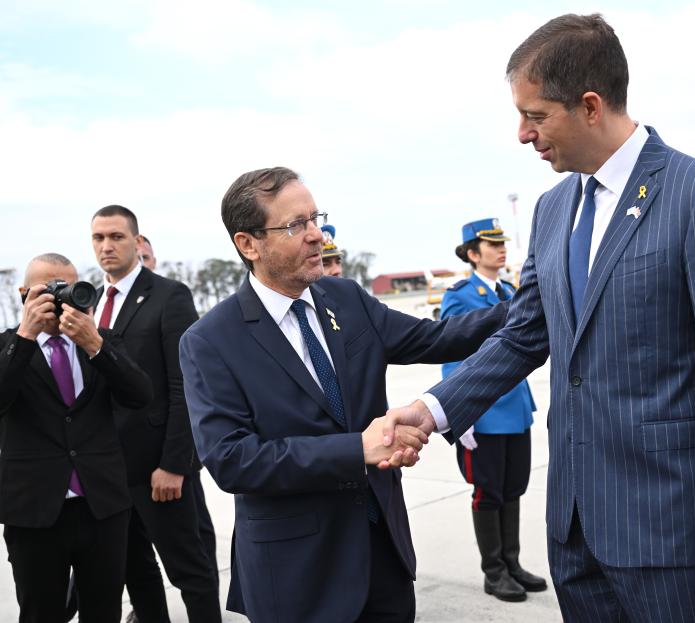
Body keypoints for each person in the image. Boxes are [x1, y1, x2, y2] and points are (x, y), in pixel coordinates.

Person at [382, 14, 695, 623]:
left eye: (535, 116)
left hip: (671, 532)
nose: (522, 134)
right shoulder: (554, 207)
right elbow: (524, 335)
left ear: (590, 106)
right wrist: (432, 409)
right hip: (575, 527)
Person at [178, 167, 511, 623]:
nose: (316, 235)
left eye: (316, 218)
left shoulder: (346, 299)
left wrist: (535, 298)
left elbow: (441, 338)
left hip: (382, 556)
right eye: (296, 225)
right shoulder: (210, 340)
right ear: (248, 244)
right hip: (297, 576)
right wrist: (358, 449)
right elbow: (232, 459)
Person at [1, 253, 152, 623]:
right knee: (40, 613)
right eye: (48, 290)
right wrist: (26, 335)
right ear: (24, 294)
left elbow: (140, 396)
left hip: (102, 508)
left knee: (103, 612)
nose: (59, 299)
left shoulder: (100, 341)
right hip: (35, 512)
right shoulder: (8, 345)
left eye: (66, 288)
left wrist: (95, 345)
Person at [91, 205, 221, 623]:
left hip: (158, 469)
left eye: (116, 237)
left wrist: (174, 464)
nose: (107, 246)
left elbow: (187, 386)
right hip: (108, 472)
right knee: (136, 573)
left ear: (136, 241)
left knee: (191, 570)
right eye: (98, 238)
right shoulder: (91, 302)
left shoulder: (169, 296)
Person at [441, 218, 546, 602]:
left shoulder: (510, 290)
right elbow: (451, 352)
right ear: (472, 253)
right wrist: (459, 412)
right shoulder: (461, 295)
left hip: (515, 409)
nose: (501, 250)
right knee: (488, 492)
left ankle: (512, 563)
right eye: (492, 244)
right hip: (483, 414)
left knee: (513, 488)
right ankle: (494, 571)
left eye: (502, 244)